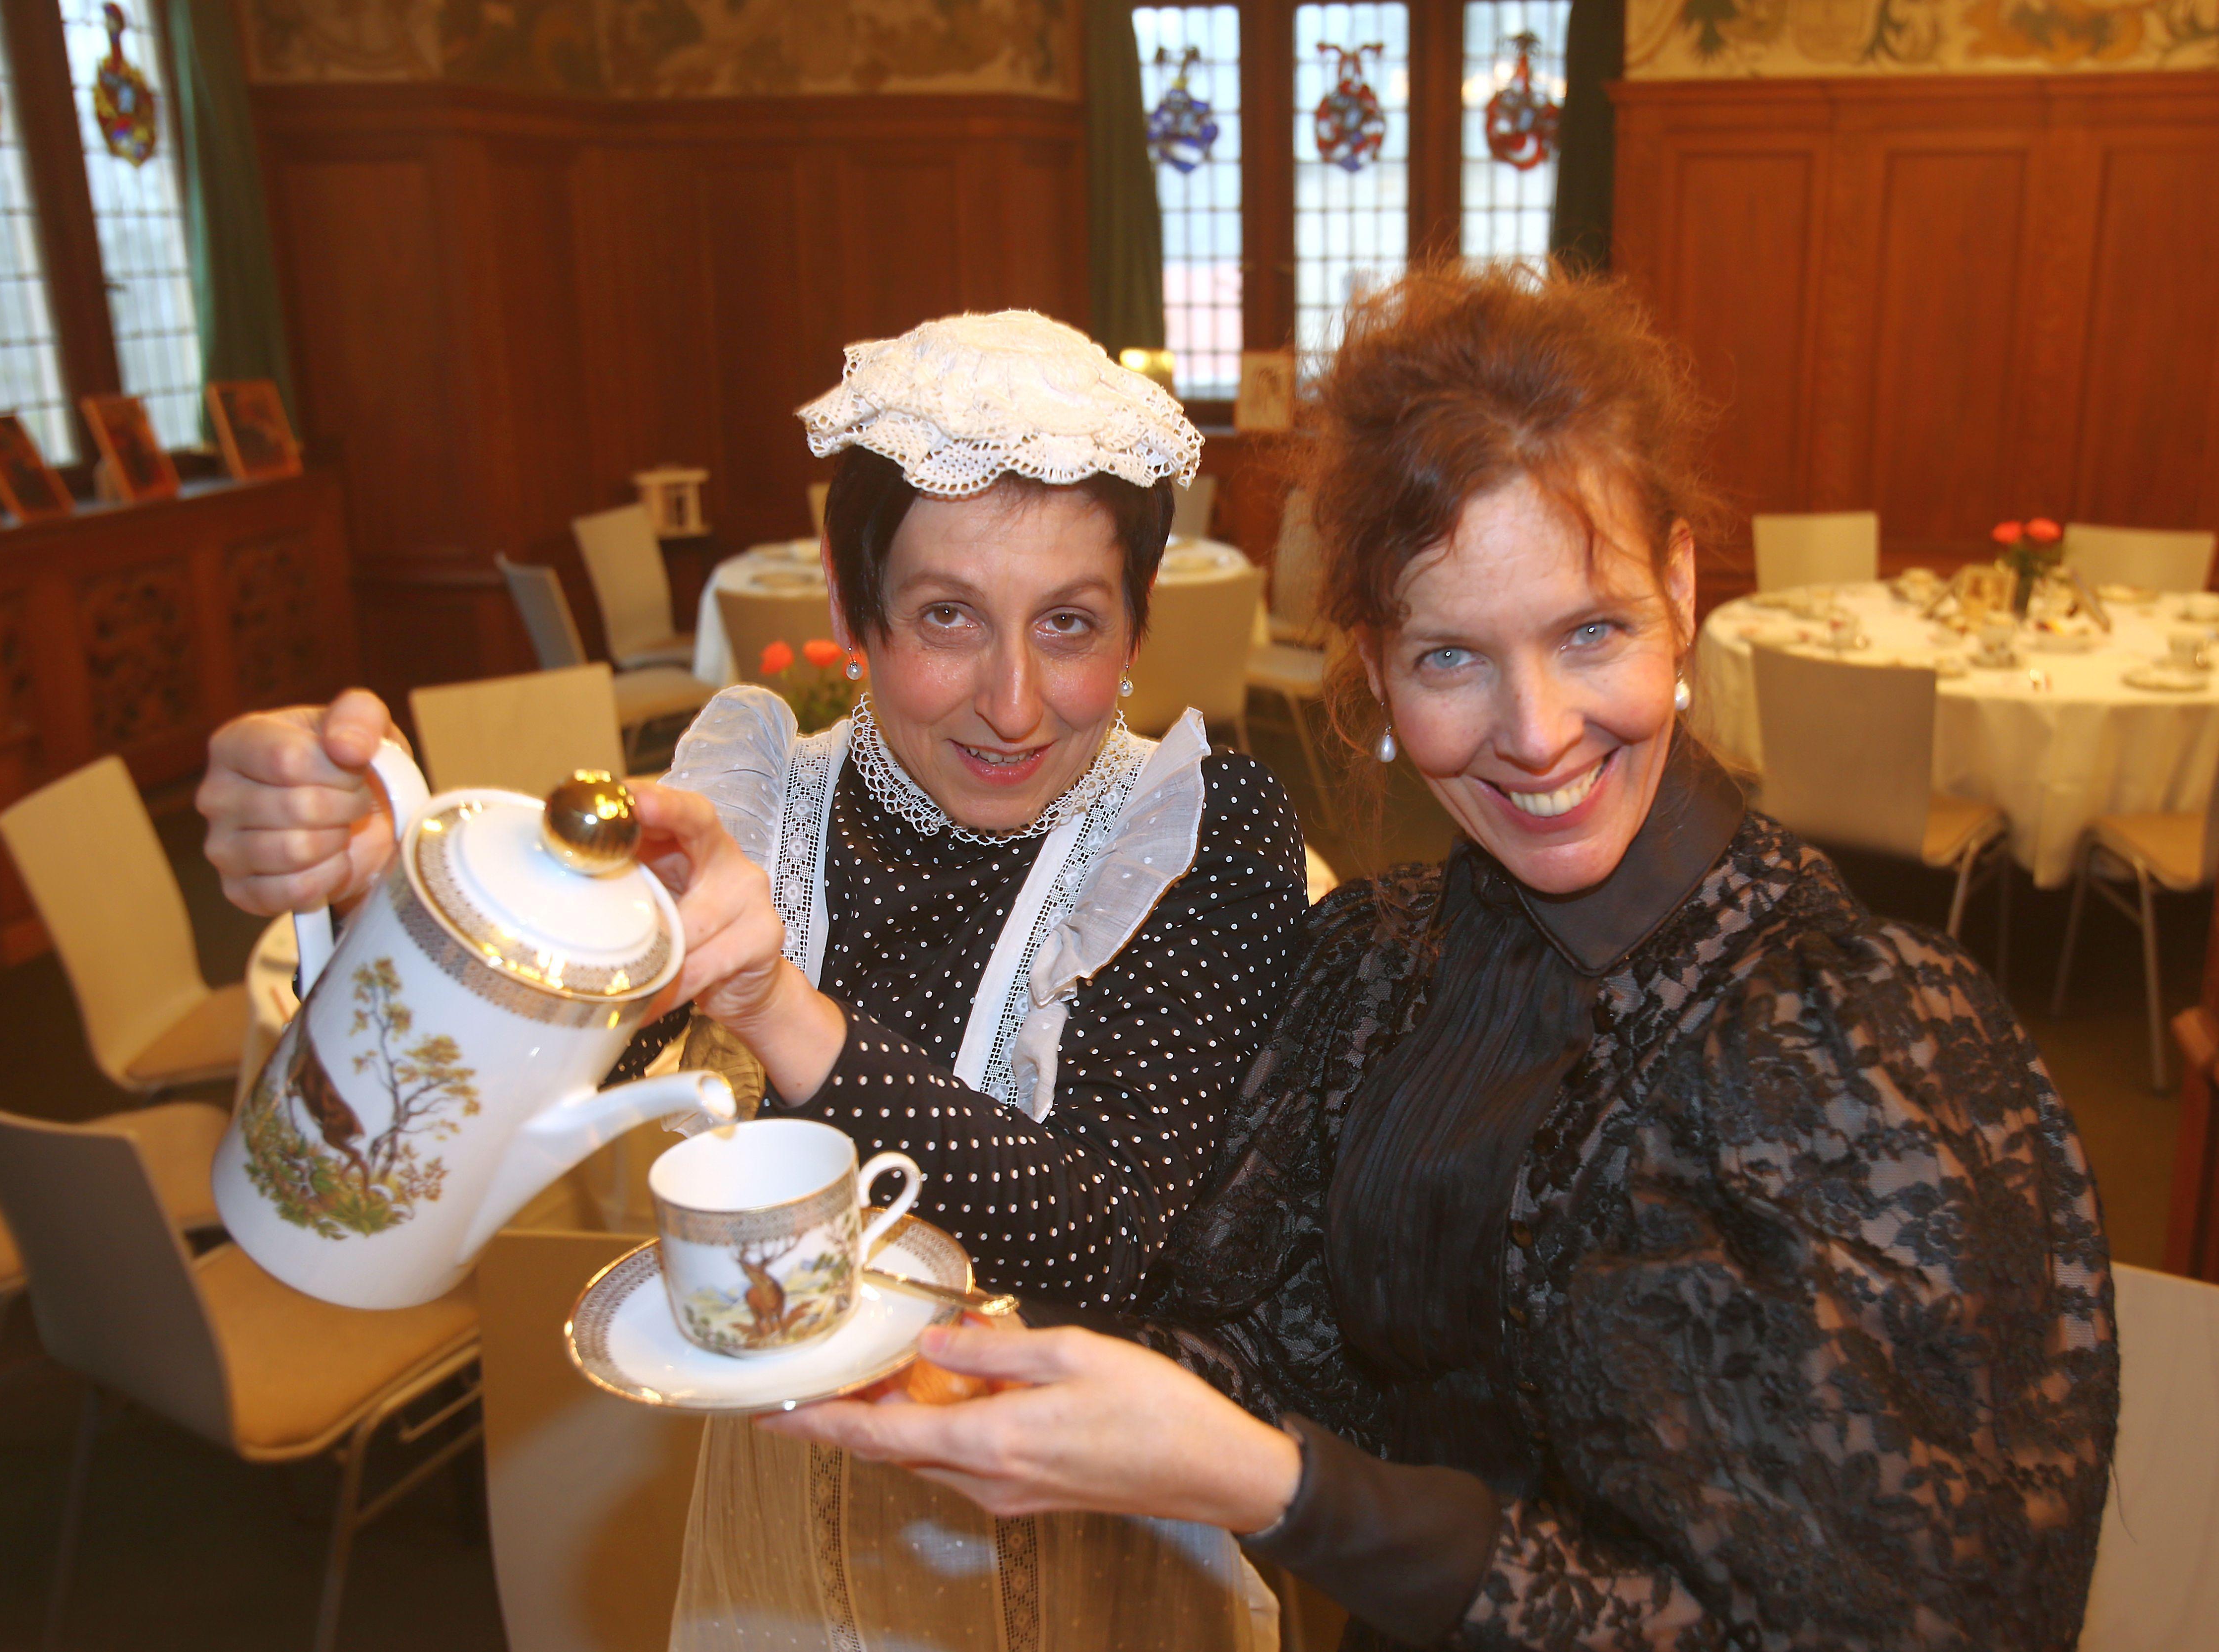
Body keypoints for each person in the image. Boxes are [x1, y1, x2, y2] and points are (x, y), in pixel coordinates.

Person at [762, 265, 2121, 1651]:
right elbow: (1257, 1337)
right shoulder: (1378, 968)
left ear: (1680, 587)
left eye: (1589, 631)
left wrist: (1277, 1487)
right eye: (1452, 658)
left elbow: (1898, 1620)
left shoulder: (1854, 1047)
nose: (1533, 732)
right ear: (1376, 667)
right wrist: (940, 1363)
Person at [196, 311, 1308, 1650]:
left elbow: (1107, 1243)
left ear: (1136, 625)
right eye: (946, 615)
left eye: (1068, 623)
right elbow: (463, 1130)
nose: (1013, 701)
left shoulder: (1202, 830)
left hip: (1102, 1550)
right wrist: (390, 905)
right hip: (783, 1549)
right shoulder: (751, 802)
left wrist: (777, 1002)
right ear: (851, 612)